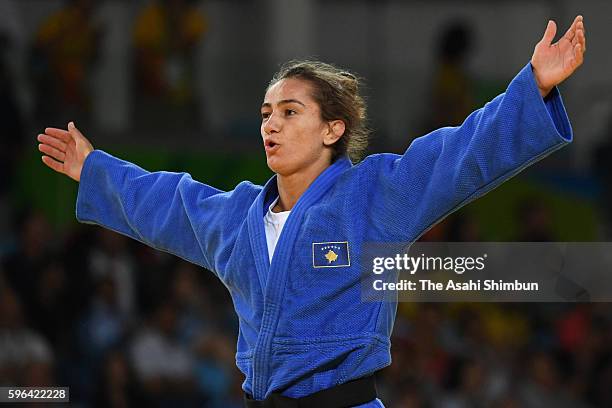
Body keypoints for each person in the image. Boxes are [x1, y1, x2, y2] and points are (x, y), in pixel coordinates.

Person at [37, 16, 586, 407]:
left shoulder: (376, 195)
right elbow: (166, 200)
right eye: (265, 113)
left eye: (290, 111)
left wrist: (532, 87)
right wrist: (95, 170)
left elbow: (461, 153)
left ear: (333, 128)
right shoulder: (237, 218)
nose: (270, 124)